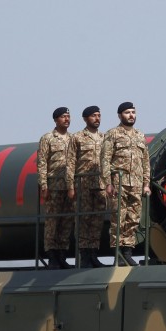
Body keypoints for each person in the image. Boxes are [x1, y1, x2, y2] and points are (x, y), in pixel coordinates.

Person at [101, 101, 151, 266]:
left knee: (133, 219)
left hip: (136, 184)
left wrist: (146, 184)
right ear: (120, 115)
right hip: (118, 183)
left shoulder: (139, 135)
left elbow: (146, 162)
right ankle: (118, 255)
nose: (131, 115)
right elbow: (105, 160)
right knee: (118, 219)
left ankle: (127, 252)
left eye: (133, 112)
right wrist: (108, 183)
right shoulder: (113, 134)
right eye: (128, 112)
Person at [66, 105, 106, 268]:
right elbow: (69, 163)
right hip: (83, 185)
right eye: (93, 116)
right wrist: (70, 186)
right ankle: (84, 255)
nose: (97, 118)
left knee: (97, 220)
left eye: (99, 115)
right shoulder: (77, 138)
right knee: (83, 220)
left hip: (100, 184)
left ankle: (93, 254)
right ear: (85, 119)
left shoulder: (104, 138)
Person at [37, 107, 73, 269]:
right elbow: (42, 163)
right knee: (53, 222)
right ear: (56, 120)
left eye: (68, 116)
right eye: (63, 117)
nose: (67, 119)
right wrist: (43, 185)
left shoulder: (73, 139)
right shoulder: (48, 138)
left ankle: (62, 255)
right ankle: (52, 256)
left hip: (69, 187)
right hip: (54, 187)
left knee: (66, 222)